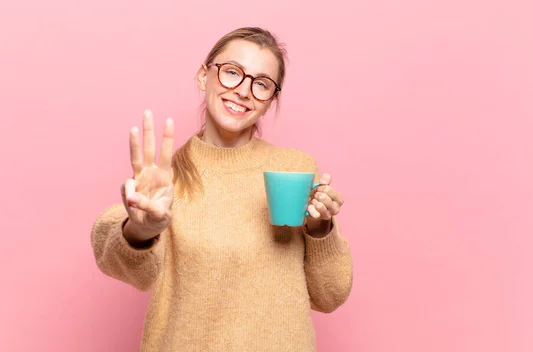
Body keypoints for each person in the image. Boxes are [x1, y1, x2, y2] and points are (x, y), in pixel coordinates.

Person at [91, 27, 353, 351]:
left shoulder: (297, 169)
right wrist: (139, 230)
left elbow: (330, 295)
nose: (244, 91)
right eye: (232, 72)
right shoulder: (164, 179)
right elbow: (119, 262)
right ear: (204, 76)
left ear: (271, 100)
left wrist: (320, 229)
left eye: (261, 84)